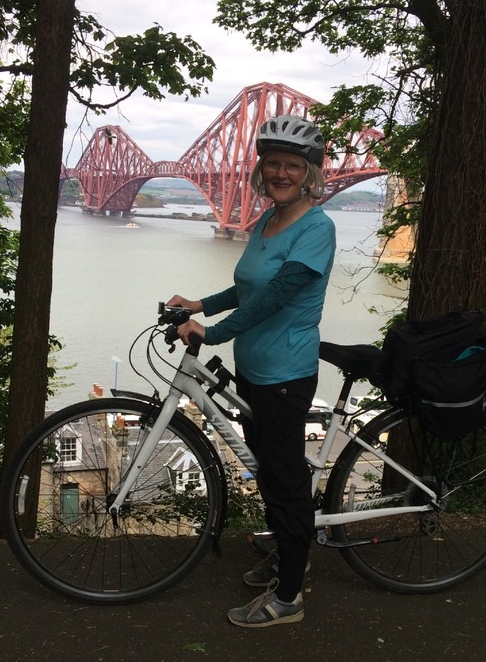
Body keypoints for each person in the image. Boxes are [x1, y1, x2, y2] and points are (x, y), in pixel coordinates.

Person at [167, 114, 336, 628]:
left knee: (285, 484)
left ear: (309, 175)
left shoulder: (317, 228)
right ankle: (288, 555)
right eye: (273, 164)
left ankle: (289, 598)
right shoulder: (267, 220)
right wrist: (199, 304)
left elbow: (278, 294)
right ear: (262, 170)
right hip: (255, 370)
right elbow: (249, 288)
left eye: (293, 165)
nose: (281, 173)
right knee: (268, 472)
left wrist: (211, 333)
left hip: (286, 374)